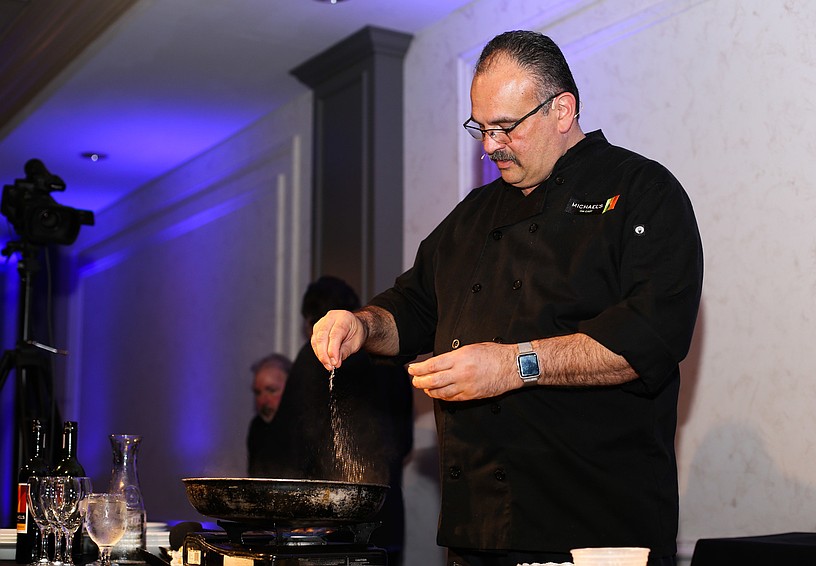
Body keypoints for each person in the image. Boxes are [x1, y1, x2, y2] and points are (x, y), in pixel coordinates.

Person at [310, 30, 703, 566]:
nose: (490, 145)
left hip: (596, 530)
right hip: (477, 531)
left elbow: (650, 338)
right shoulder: (471, 217)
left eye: (505, 127)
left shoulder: (643, 193)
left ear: (562, 110)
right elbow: (411, 308)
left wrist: (515, 365)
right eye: (481, 127)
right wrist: (362, 324)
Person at [283, 276, 413, 566]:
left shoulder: (312, 357)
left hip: (324, 520)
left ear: (310, 322)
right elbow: (404, 441)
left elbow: (291, 441)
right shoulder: (391, 360)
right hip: (383, 512)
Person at [246, 352, 295, 477]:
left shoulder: (309, 426)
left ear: (292, 386)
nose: (263, 400)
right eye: (258, 392)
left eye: (272, 390)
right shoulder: (257, 427)